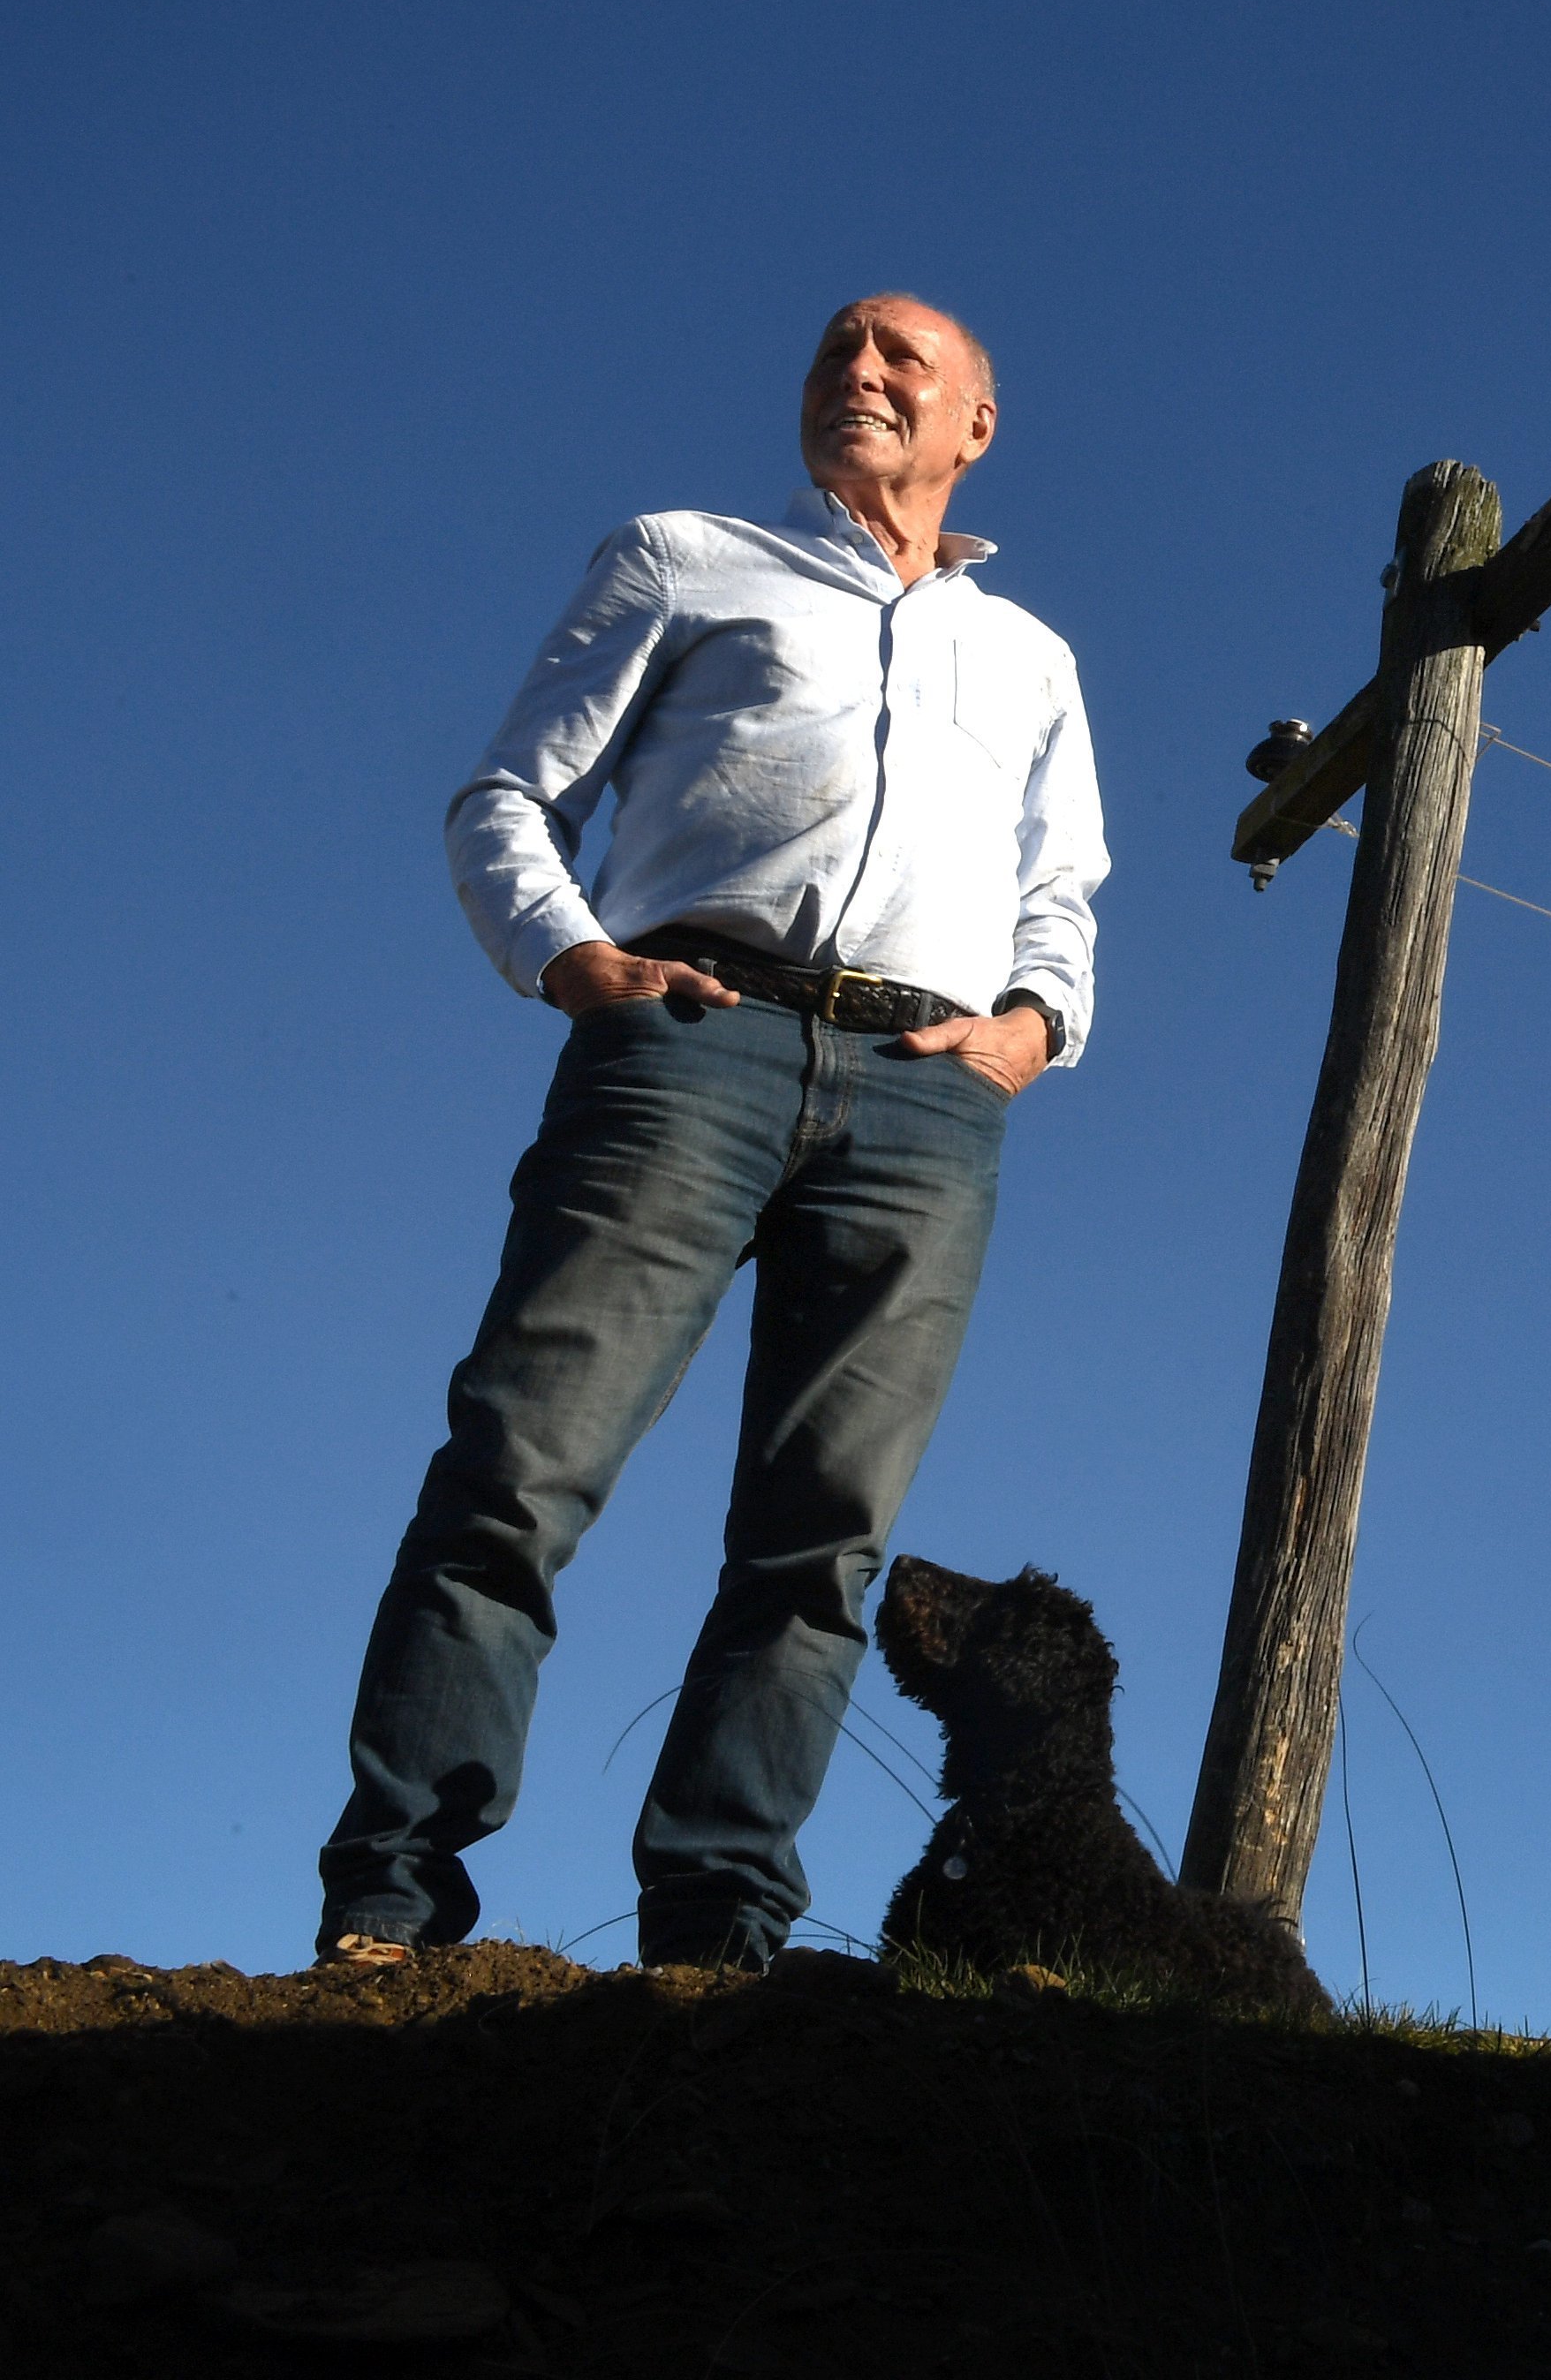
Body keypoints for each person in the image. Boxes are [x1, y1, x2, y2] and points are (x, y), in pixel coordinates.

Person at [317, 294, 1108, 1971]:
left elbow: (1063, 888)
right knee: (522, 1464)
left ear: (978, 425)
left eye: (906, 358)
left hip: (926, 1098)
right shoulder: (686, 558)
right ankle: (397, 1895)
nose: (863, 372)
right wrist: (574, 958)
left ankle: (714, 1930)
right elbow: (507, 794)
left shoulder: (1032, 658)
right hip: (691, 1043)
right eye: (839, 350)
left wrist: (1034, 1027)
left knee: (825, 1538)